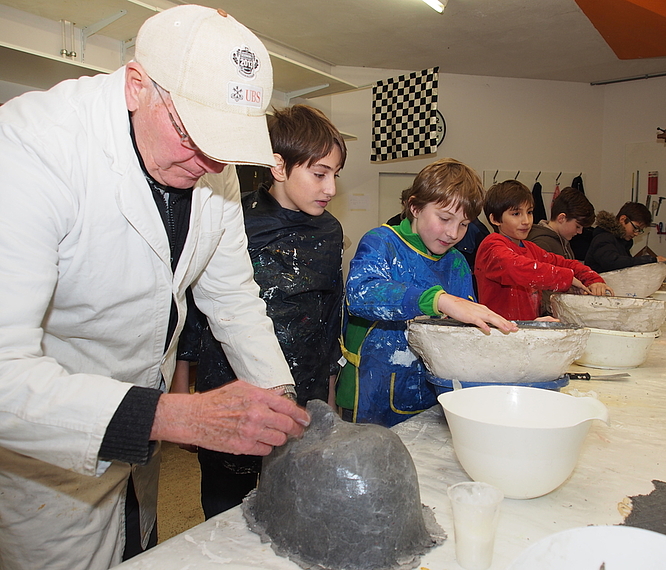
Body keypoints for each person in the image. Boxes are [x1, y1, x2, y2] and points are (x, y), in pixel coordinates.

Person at [0, 6, 310, 570]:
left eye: (226, 142)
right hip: (49, 441)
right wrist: (178, 417)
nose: (212, 160)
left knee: (138, 549)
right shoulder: (31, 147)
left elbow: (233, 296)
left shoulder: (208, 162)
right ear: (137, 85)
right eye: (196, 134)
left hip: (142, 432)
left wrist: (278, 401)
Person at [177, 104, 347, 519]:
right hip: (231, 382)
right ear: (278, 166)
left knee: (292, 503)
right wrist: (181, 389)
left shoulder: (329, 230)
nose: (330, 189)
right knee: (225, 506)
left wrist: (326, 391)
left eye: (335, 176)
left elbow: (329, 311)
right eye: (319, 173)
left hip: (302, 382)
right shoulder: (235, 221)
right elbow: (198, 311)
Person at [336, 158, 517, 428]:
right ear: (415, 207)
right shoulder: (382, 242)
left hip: (431, 395)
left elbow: (467, 334)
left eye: (464, 224)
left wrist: (523, 332)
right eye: (444, 218)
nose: (453, 232)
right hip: (371, 393)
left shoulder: (456, 263)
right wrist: (438, 300)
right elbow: (361, 295)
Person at [475, 180, 613, 321]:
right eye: (516, 214)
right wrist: (566, 278)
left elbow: (566, 264)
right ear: (495, 219)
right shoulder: (491, 246)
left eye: (529, 212)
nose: (526, 221)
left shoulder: (530, 248)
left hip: (526, 330)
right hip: (499, 334)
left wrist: (593, 280)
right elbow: (518, 268)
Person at [527, 187, 601, 314]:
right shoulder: (541, 243)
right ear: (561, 218)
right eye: (577, 226)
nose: (580, 232)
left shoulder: (563, 241)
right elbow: (540, 291)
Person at [584, 202, 666, 273]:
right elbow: (613, 263)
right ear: (623, 219)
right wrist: (650, 260)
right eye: (635, 228)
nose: (636, 233)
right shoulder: (603, 238)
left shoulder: (622, 242)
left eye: (640, 230)